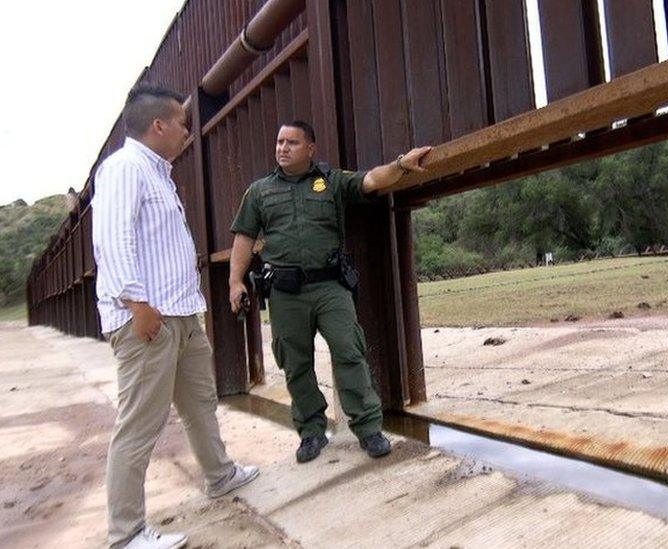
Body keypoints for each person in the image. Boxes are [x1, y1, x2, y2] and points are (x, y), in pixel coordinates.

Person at [92, 85, 259, 549]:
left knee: (199, 406)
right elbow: (112, 240)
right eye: (183, 123)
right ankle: (125, 535)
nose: (188, 131)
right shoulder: (125, 168)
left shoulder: (158, 173)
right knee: (139, 425)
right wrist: (137, 305)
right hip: (149, 317)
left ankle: (220, 475)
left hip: (181, 313)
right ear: (158, 125)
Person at [229, 120, 430, 463]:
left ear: (310, 148)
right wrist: (235, 280)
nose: (283, 148)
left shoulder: (332, 181)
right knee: (295, 363)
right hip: (285, 292)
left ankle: (368, 428)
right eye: (279, 142)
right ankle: (310, 432)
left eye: (292, 142)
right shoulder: (259, 191)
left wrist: (400, 165)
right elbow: (244, 237)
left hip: (329, 287)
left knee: (349, 351)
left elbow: (370, 180)